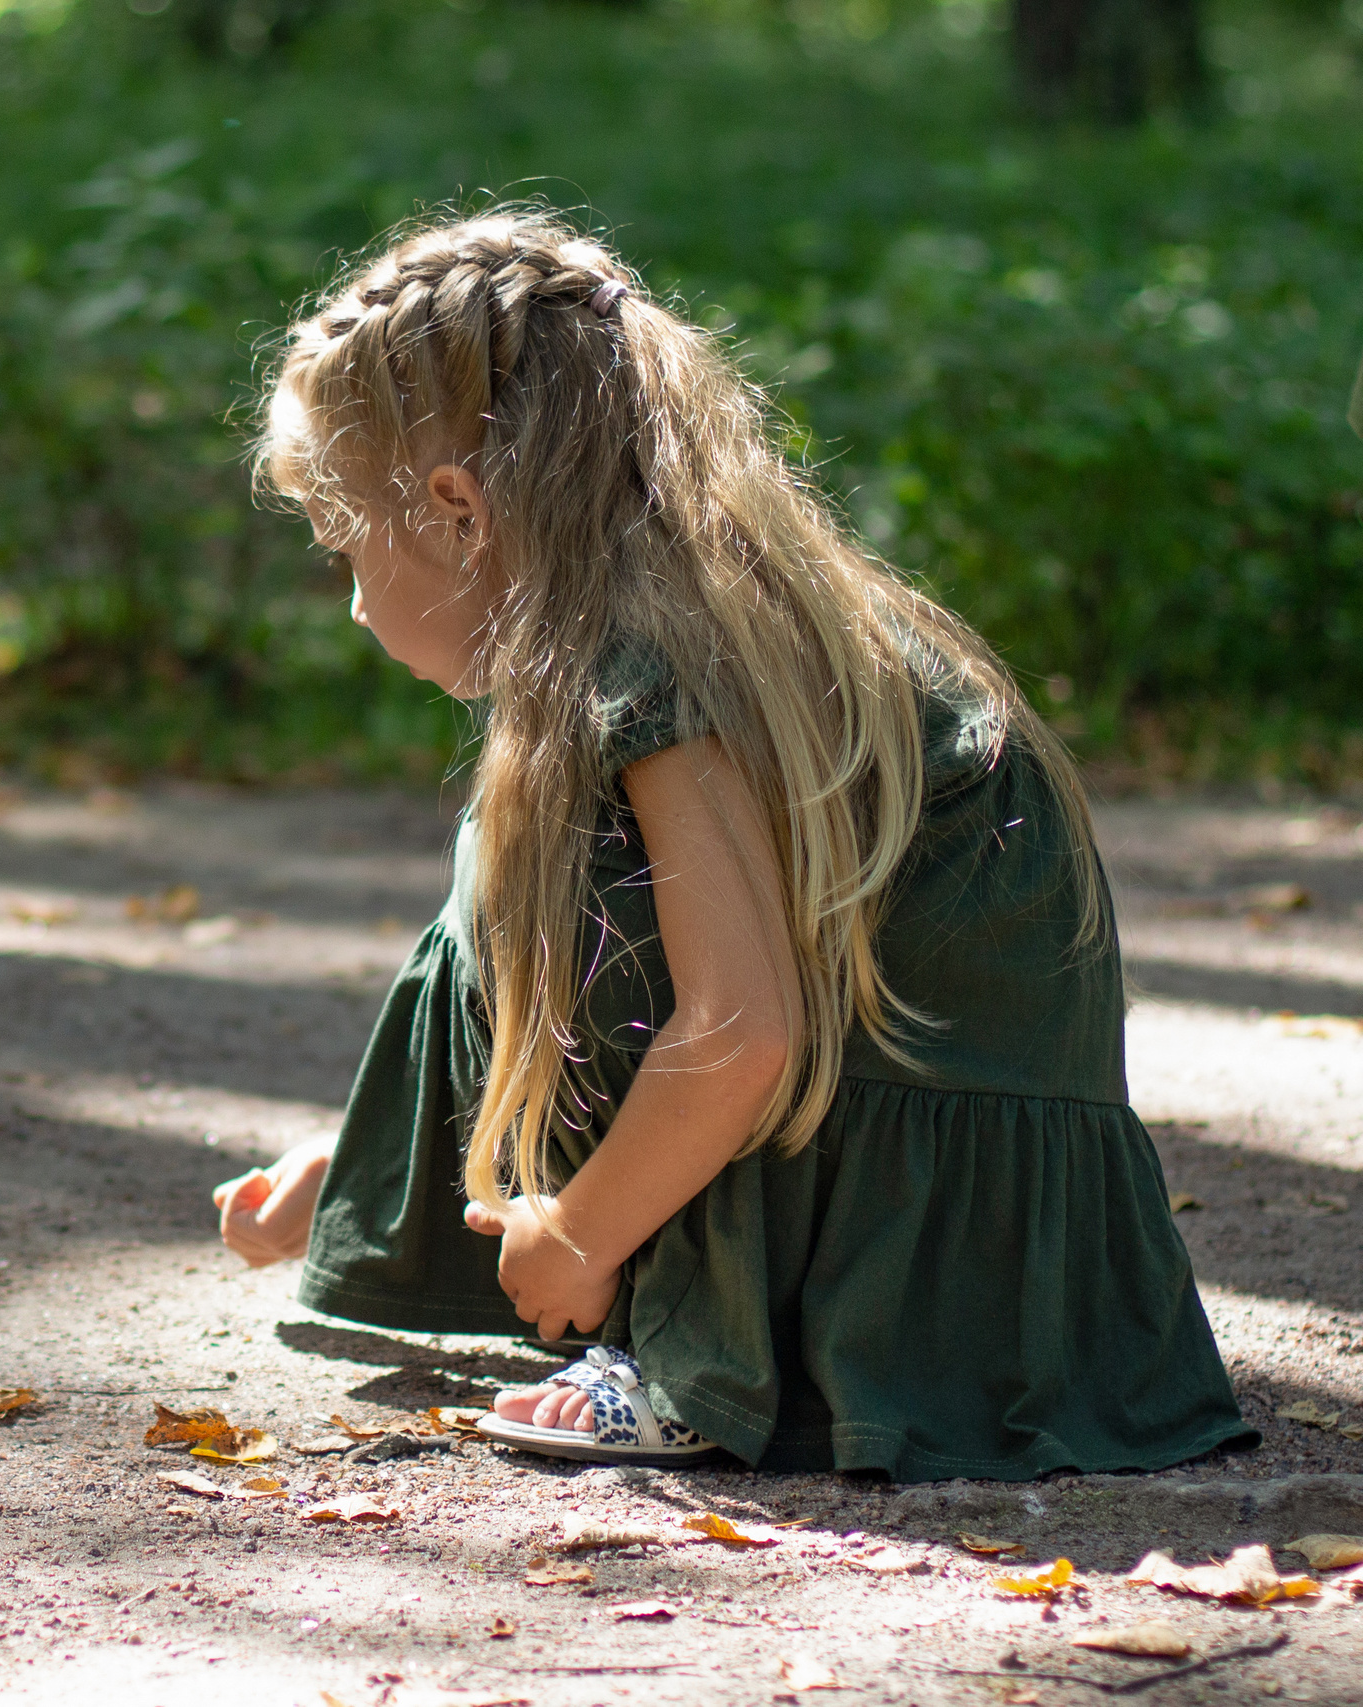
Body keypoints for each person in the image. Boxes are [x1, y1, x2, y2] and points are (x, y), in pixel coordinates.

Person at [212, 209, 1252, 1480]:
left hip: (912, 1248)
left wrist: (585, 1238)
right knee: (517, 845)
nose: (357, 601)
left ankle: (727, 1355)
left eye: (342, 548)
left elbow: (740, 1031)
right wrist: (372, 1172)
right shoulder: (690, 613)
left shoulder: (652, 669)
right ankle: (611, 1253)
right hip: (922, 1165)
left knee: (530, 864)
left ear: (454, 509)